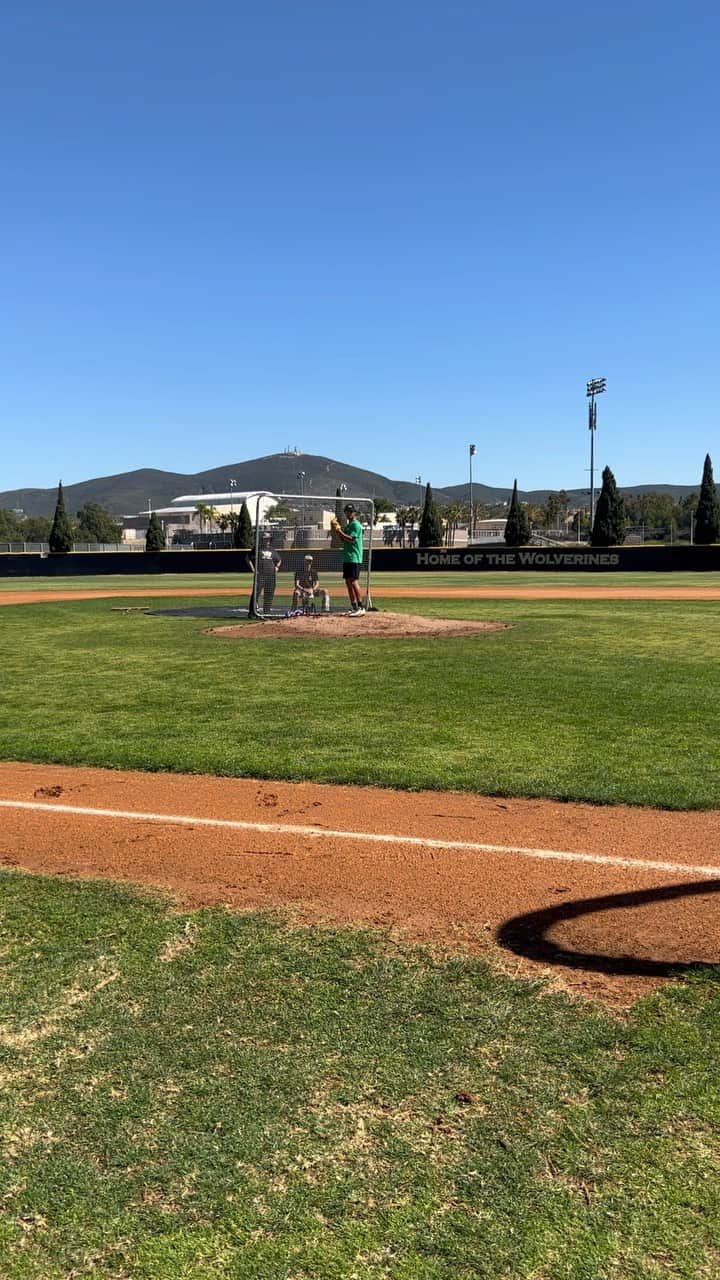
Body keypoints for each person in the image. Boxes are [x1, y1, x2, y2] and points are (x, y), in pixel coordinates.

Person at [331, 503, 365, 615]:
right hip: (347, 557)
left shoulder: (356, 525)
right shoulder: (348, 526)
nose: (348, 513)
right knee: (348, 582)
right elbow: (343, 540)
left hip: (354, 557)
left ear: (354, 513)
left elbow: (352, 540)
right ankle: (354, 606)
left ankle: (361, 607)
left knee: (354, 581)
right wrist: (337, 530)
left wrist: (340, 530)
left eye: (350, 511)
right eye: (347, 512)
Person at [247, 532, 281, 613]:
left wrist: (277, 567)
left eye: (268, 539)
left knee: (269, 594)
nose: (267, 540)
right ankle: (252, 612)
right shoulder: (257, 548)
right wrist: (253, 570)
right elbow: (247, 558)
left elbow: (279, 560)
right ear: (262, 540)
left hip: (271, 576)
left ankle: (267, 612)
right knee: (256, 593)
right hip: (260, 575)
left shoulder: (272, 550)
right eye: (265, 539)